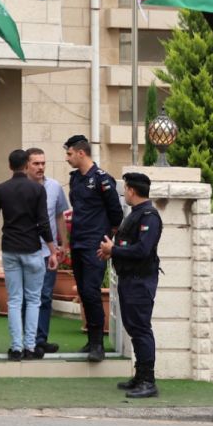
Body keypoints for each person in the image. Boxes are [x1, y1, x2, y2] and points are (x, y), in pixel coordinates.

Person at [0, 149, 58, 360]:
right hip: (33, 248)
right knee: (34, 299)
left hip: (10, 248)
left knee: (15, 300)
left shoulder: (0, 189)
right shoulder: (37, 189)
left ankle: (16, 348)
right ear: (27, 165)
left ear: (10, 166)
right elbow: (44, 223)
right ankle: (30, 347)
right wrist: (53, 250)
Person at [99, 172, 163, 398]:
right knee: (134, 328)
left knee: (141, 328)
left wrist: (113, 250)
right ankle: (140, 376)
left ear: (132, 191)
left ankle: (148, 380)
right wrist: (112, 251)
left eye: (125, 189)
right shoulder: (136, 214)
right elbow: (129, 245)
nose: (124, 193)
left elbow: (142, 250)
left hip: (140, 281)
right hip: (129, 279)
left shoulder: (149, 216)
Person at [63, 134, 123, 362]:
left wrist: (108, 238)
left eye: (69, 154)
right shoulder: (76, 179)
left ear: (81, 153)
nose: (67, 159)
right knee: (84, 293)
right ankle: (91, 339)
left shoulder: (102, 179)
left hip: (95, 244)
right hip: (78, 242)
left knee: (91, 290)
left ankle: (98, 344)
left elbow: (116, 213)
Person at [26, 147, 70, 354]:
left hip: (48, 252)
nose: (40, 167)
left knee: (44, 296)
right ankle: (26, 340)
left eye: (43, 163)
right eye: (36, 163)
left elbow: (60, 216)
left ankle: (40, 339)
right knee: (26, 297)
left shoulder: (54, 187)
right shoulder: (19, 188)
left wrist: (64, 245)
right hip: (24, 251)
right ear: (26, 165)